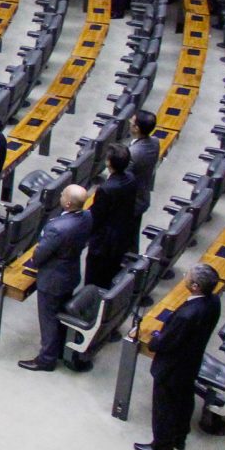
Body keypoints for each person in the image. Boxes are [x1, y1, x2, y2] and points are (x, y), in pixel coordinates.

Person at [136, 262, 222, 450]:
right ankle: (179, 437)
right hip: (191, 361)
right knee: (183, 400)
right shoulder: (213, 301)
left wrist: (155, 340)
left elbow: (165, 342)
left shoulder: (187, 315)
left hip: (172, 366)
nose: (185, 277)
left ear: (195, 286)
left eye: (187, 276)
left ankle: (162, 446)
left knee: (164, 407)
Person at [18, 186, 94, 372]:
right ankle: (59, 348)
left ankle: (46, 359)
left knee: (49, 319)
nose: (60, 195)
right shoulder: (87, 216)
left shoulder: (57, 228)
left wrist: (35, 261)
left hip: (52, 279)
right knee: (59, 313)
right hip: (70, 273)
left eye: (63, 195)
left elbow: (40, 254)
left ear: (67, 203)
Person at [86, 145, 137, 289]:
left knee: (95, 280)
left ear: (108, 162)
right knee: (111, 271)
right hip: (122, 234)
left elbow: (97, 217)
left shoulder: (106, 189)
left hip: (104, 242)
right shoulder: (131, 178)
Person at [126, 110, 159, 249]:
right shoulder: (155, 142)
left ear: (136, 128)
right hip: (142, 197)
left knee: (126, 239)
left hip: (130, 203)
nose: (129, 122)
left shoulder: (133, 154)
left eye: (132, 121)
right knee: (133, 236)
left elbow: (122, 179)